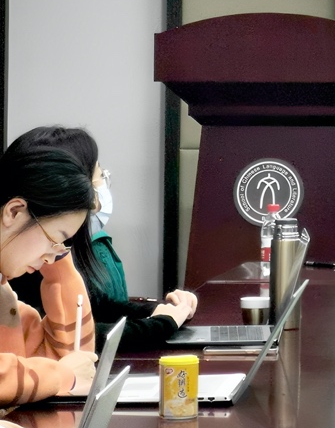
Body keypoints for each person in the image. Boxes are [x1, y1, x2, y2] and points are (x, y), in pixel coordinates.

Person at [8, 127, 198, 352]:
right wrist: (160, 324)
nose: (96, 203)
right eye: (97, 179)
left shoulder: (42, 252)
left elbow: (93, 307)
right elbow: (61, 337)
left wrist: (161, 310)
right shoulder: (26, 260)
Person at [0, 142, 97, 404]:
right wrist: (62, 375)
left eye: (63, 246)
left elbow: (69, 360)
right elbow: (59, 373)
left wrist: (60, 272)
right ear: (14, 211)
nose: (52, 257)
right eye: (55, 238)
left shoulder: (6, 298)